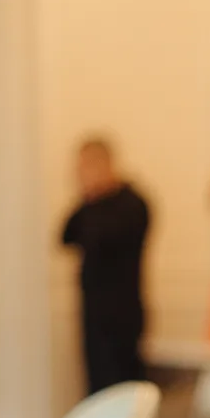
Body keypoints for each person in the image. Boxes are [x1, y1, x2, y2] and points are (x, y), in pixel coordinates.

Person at [61, 137, 150, 395]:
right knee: (96, 388)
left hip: (122, 313)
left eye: (85, 167)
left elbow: (101, 238)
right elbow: (66, 236)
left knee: (122, 389)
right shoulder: (90, 207)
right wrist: (86, 199)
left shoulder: (132, 204)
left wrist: (97, 198)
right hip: (93, 313)